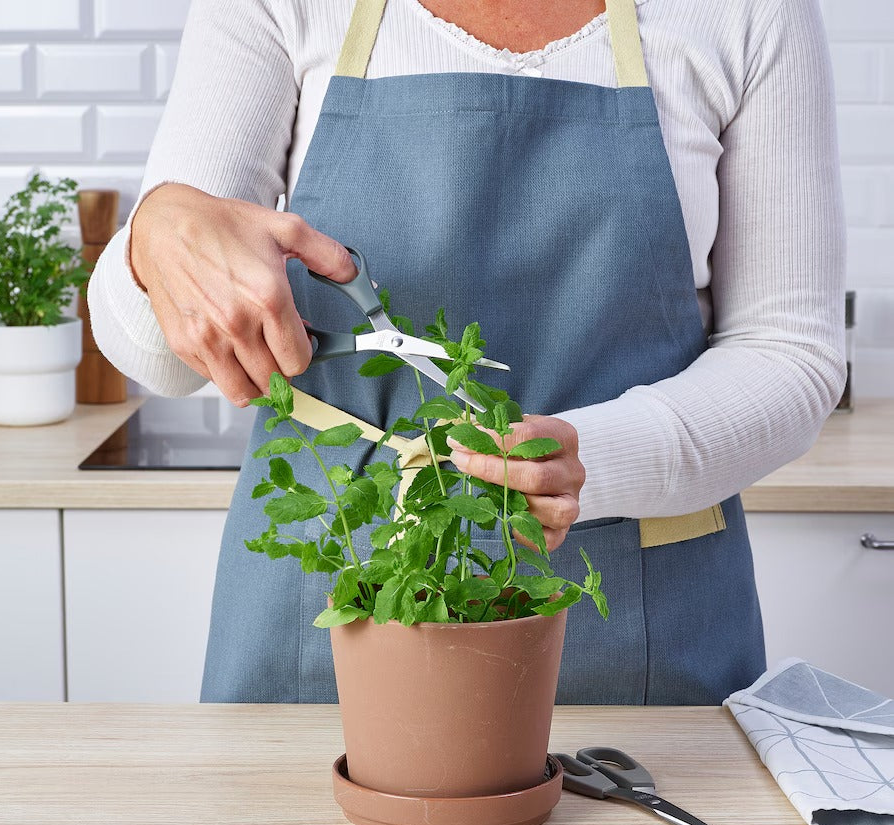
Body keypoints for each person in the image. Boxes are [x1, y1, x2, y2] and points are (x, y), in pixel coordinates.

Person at [88, 0, 846, 705]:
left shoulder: (748, 13)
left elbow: (791, 352)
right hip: (323, 630)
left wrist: (600, 459)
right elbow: (160, 360)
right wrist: (155, 240)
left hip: (646, 649)